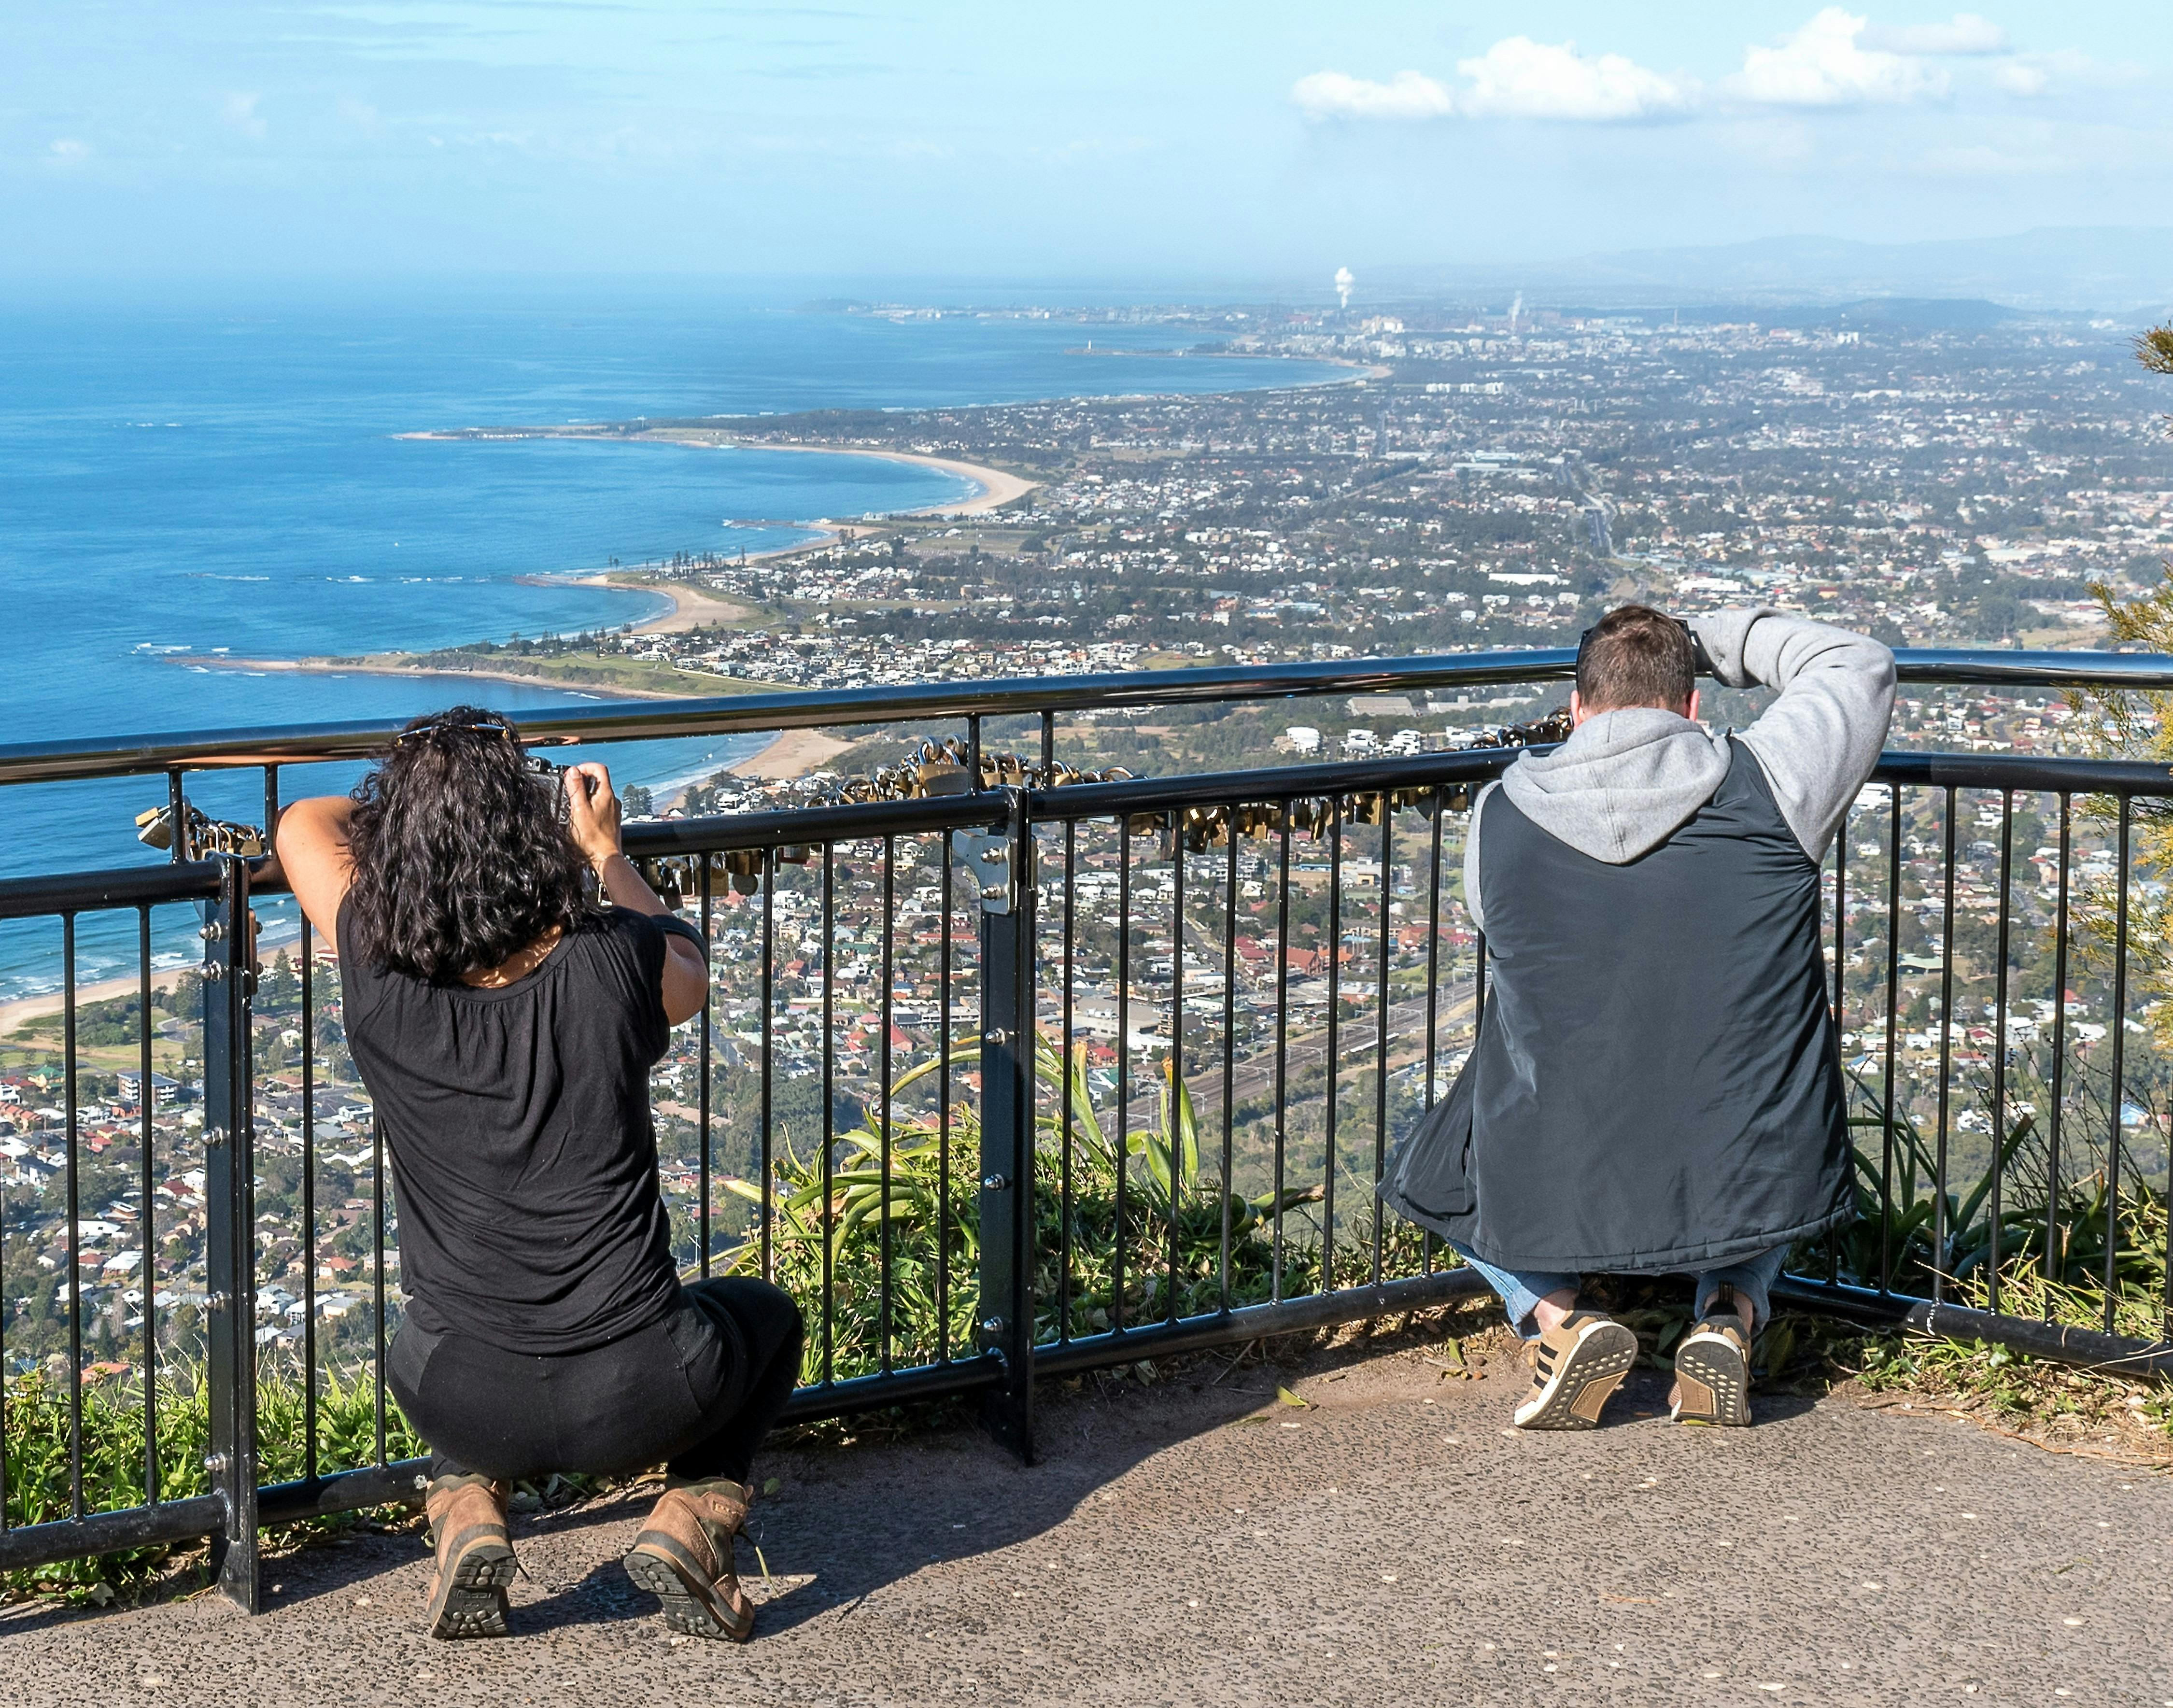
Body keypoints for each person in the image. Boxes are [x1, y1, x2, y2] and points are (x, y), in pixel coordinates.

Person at [275, 707, 803, 1642]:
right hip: (647, 1391)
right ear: (529, 836)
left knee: (449, 1322)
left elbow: (301, 825)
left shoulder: (376, 966)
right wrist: (602, 853)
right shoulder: (611, 962)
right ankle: (690, 1519)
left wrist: (421, 812)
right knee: (768, 1318)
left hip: (458, 1397)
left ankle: (467, 1504)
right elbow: (690, 967)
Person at [1382, 606, 1894, 1430]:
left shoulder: (1499, 817)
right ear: (1692, 707)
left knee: (1426, 1163)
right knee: (1754, 1092)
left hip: (1561, 1144)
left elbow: (1495, 923)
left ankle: (1560, 1318)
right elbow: (1857, 664)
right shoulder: (1775, 785)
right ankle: (1729, 1312)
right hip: (1747, 1142)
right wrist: (1710, 638)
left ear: (1578, 710)